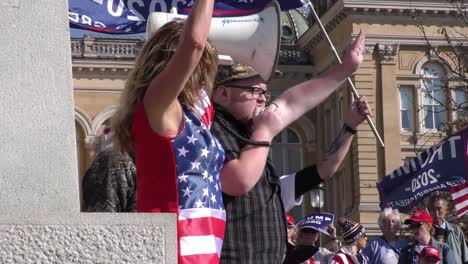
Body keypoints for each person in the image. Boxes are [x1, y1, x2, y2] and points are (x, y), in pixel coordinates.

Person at [210, 31, 367, 263]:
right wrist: (265, 132)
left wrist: (346, 71)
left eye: (265, 92)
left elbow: (291, 103)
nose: (263, 100)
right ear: (222, 93)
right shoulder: (214, 129)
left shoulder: (251, 137)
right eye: (255, 91)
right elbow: (237, 181)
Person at [110, 1, 231, 262]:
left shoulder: (190, 113)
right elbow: (195, 43)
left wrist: (342, 71)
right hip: (175, 249)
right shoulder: (159, 103)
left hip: (198, 252)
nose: (204, 78)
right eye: (202, 67)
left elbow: (288, 106)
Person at [429, 196, 468, 264]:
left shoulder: (456, 230)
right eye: (432, 209)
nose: (436, 213)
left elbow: (465, 256)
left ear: (446, 210)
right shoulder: (426, 232)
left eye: (439, 209)